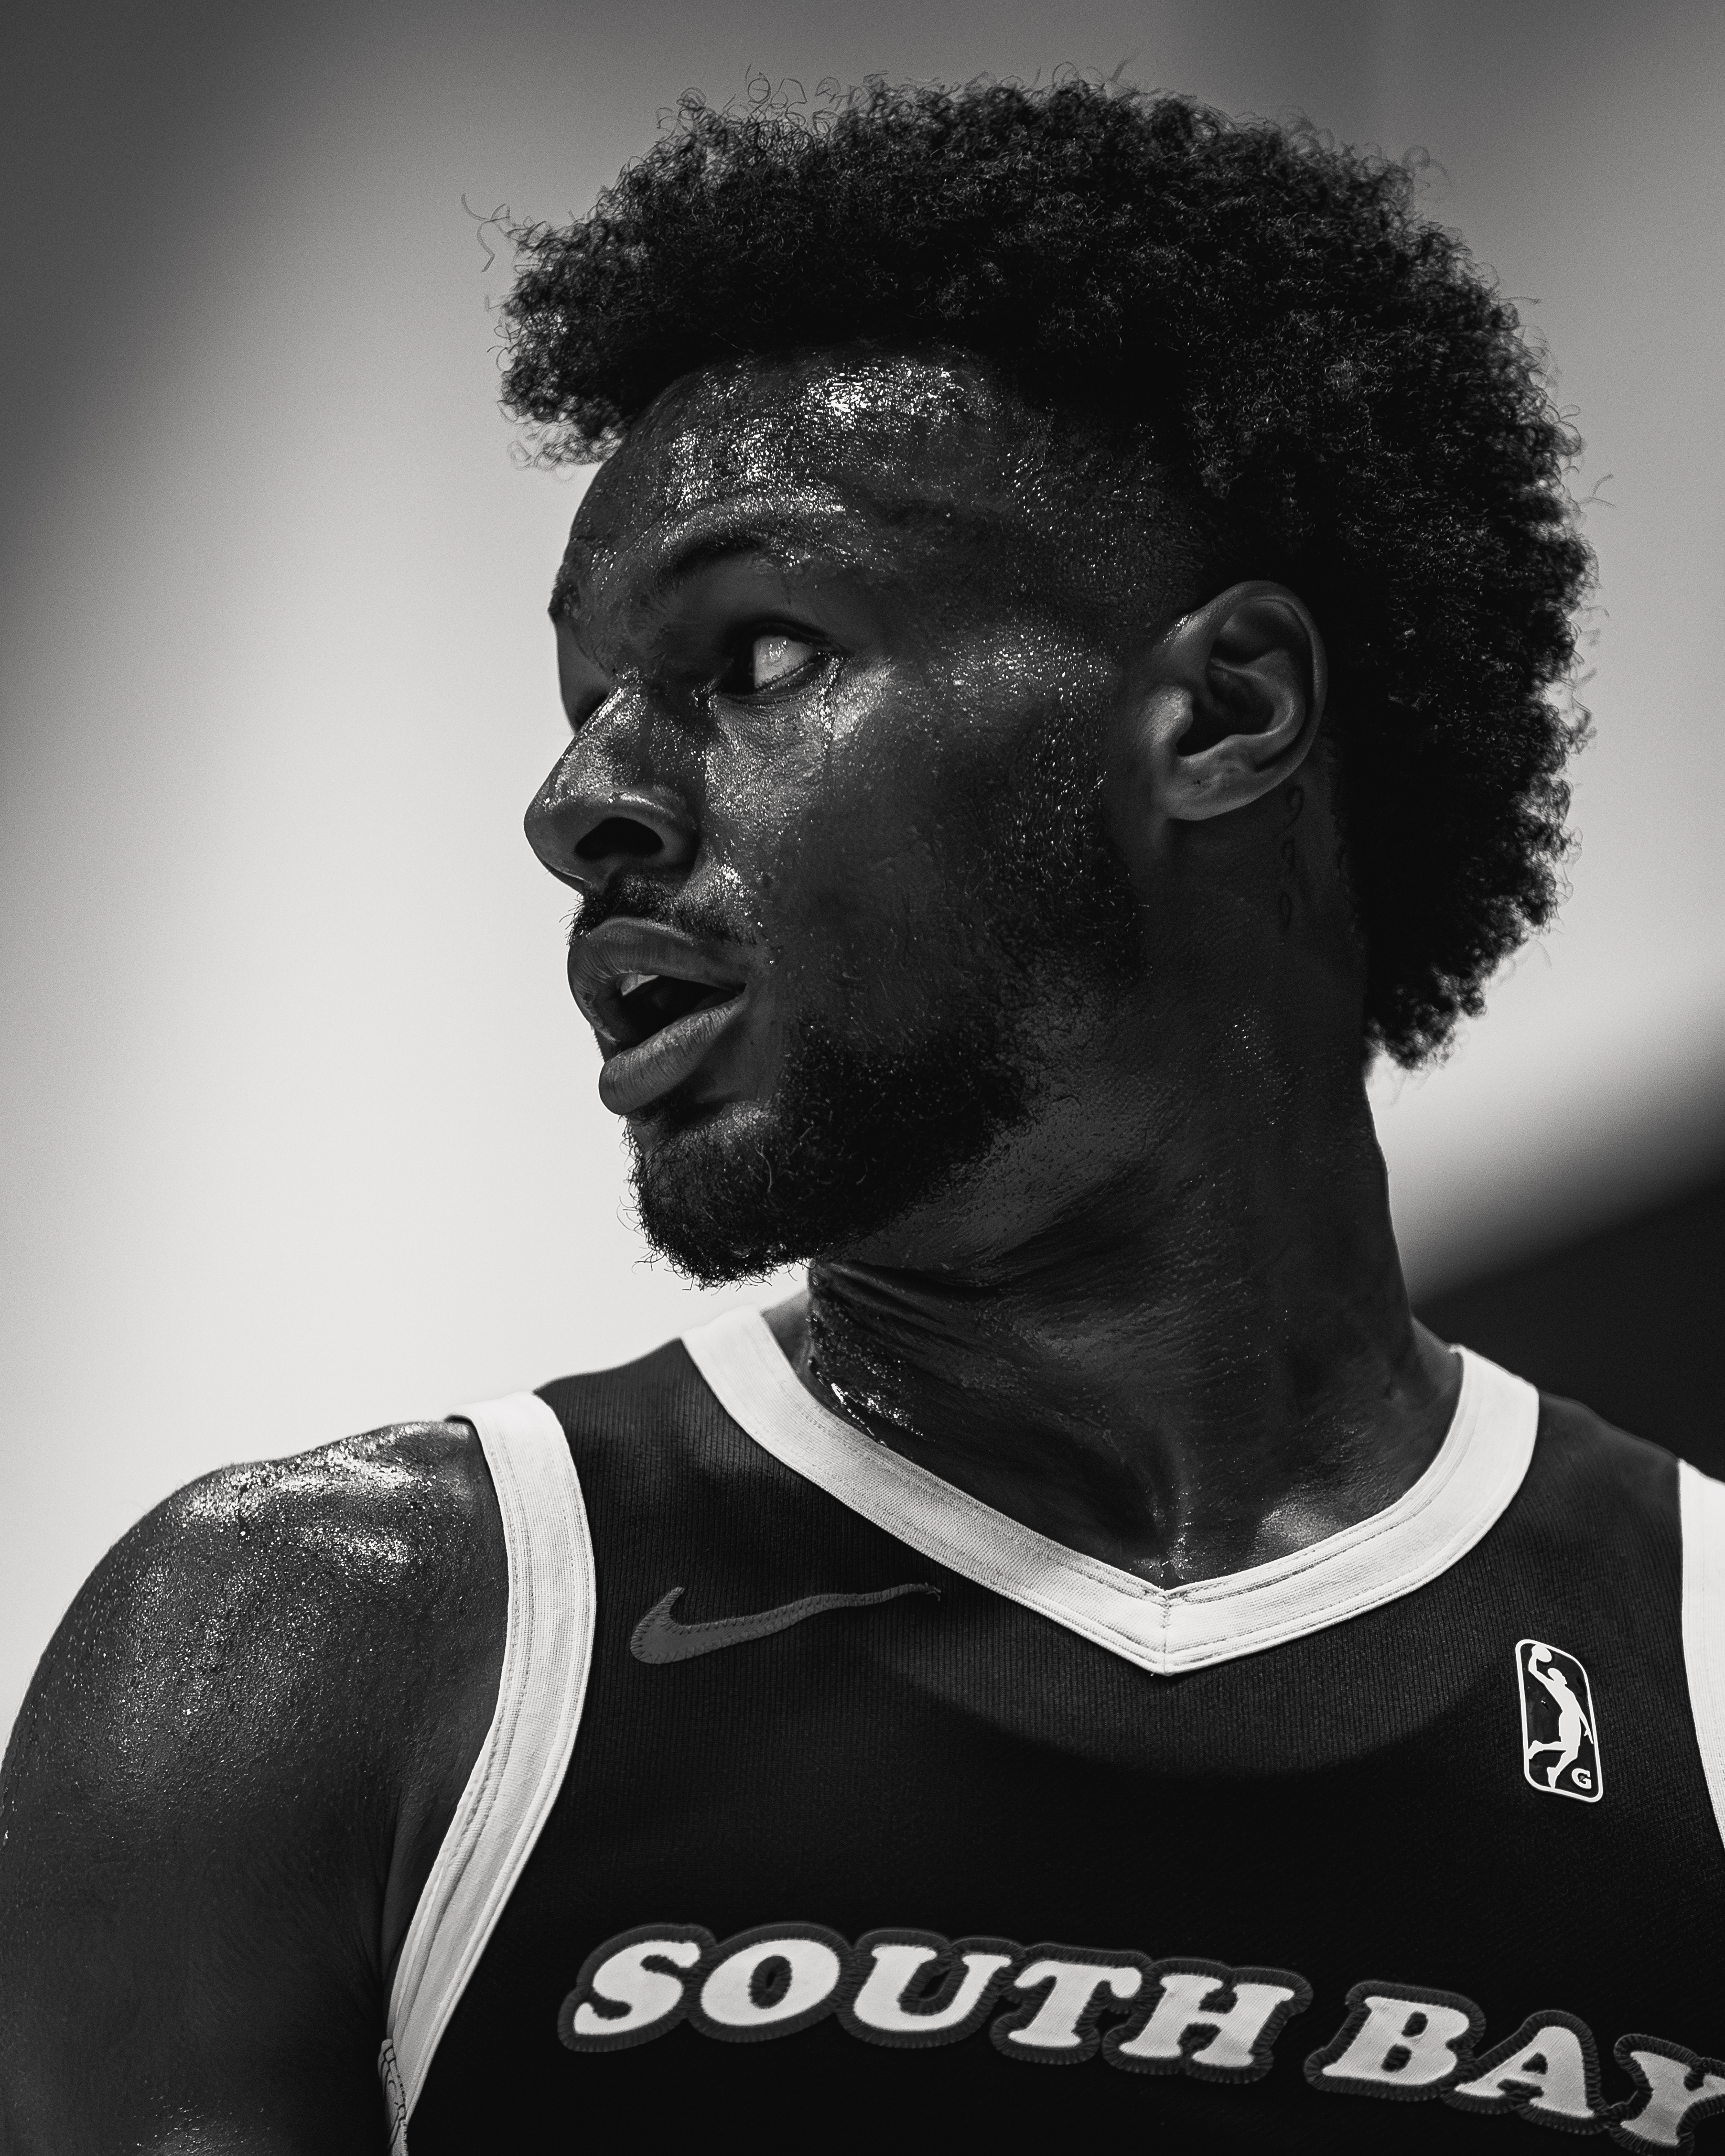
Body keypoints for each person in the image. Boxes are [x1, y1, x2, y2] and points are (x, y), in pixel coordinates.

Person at [3, 77, 1723, 2156]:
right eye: (583, 702)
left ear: (1225, 712)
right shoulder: (312, 1649)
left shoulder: (1703, 1671)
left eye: (756, 654)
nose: (578, 803)